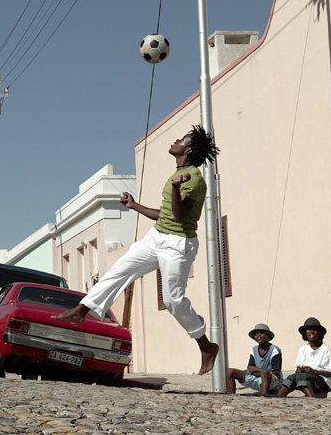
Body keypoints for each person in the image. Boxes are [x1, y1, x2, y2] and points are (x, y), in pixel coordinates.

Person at [52, 125, 221, 375]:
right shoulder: (179, 175)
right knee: (120, 268)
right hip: (157, 237)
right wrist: (135, 206)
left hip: (178, 245)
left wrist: (176, 188)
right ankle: (81, 310)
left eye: (181, 139)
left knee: (173, 300)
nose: (175, 139)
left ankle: (206, 346)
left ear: (189, 149)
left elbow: (180, 214)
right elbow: (166, 215)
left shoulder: (193, 179)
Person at [277, 317, 331, 397]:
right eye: (309, 329)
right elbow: (298, 370)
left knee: (303, 377)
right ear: (305, 333)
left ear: (319, 333)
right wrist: (298, 371)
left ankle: (312, 400)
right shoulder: (303, 349)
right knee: (291, 377)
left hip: (322, 382)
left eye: (314, 330)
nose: (311, 332)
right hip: (305, 379)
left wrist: (314, 371)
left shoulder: (326, 350)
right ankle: (278, 398)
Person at [225, 323, 283, 395]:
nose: (258, 336)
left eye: (261, 333)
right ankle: (231, 396)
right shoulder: (254, 349)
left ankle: (264, 397)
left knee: (265, 374)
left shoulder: (274, 349)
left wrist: (259, 371)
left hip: (273, 381)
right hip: (257, 377)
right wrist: (263, 371)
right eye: (255, 334)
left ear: (268, 336)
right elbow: (250, 368)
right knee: (230, 371)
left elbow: (275, 372)